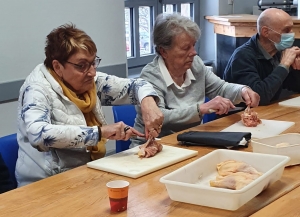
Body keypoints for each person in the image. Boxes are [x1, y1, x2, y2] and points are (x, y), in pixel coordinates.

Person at [15, 23, 163, 187]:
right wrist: (100, 132)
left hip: (85, 173)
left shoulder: (91, 81)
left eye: (93, 63)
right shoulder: (36, 89)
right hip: (44, 185)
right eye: (82, 65)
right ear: (57, 66)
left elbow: (137, 86)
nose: (92, 72)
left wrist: (148, 104)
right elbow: (38, 135)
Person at [131, 13, 260, 146]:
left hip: (188, 140)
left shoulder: (195, 64)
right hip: (151, 146)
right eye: (186, 48)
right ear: (163, 51)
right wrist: (201, 109)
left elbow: (219, 88)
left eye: (193, 45)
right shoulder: (150, 76)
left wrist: (242, 90)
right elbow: (160, 117)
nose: (194, 52)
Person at [223, 8, 300, 105]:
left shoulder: (278, 52)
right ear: (266, 32)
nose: (292, 34)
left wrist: (297, 68)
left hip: (269, 112)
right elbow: (258, 97)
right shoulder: (242, 56)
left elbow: (295, 86)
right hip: (241, 115)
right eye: (286, 30)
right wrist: (283, 65)